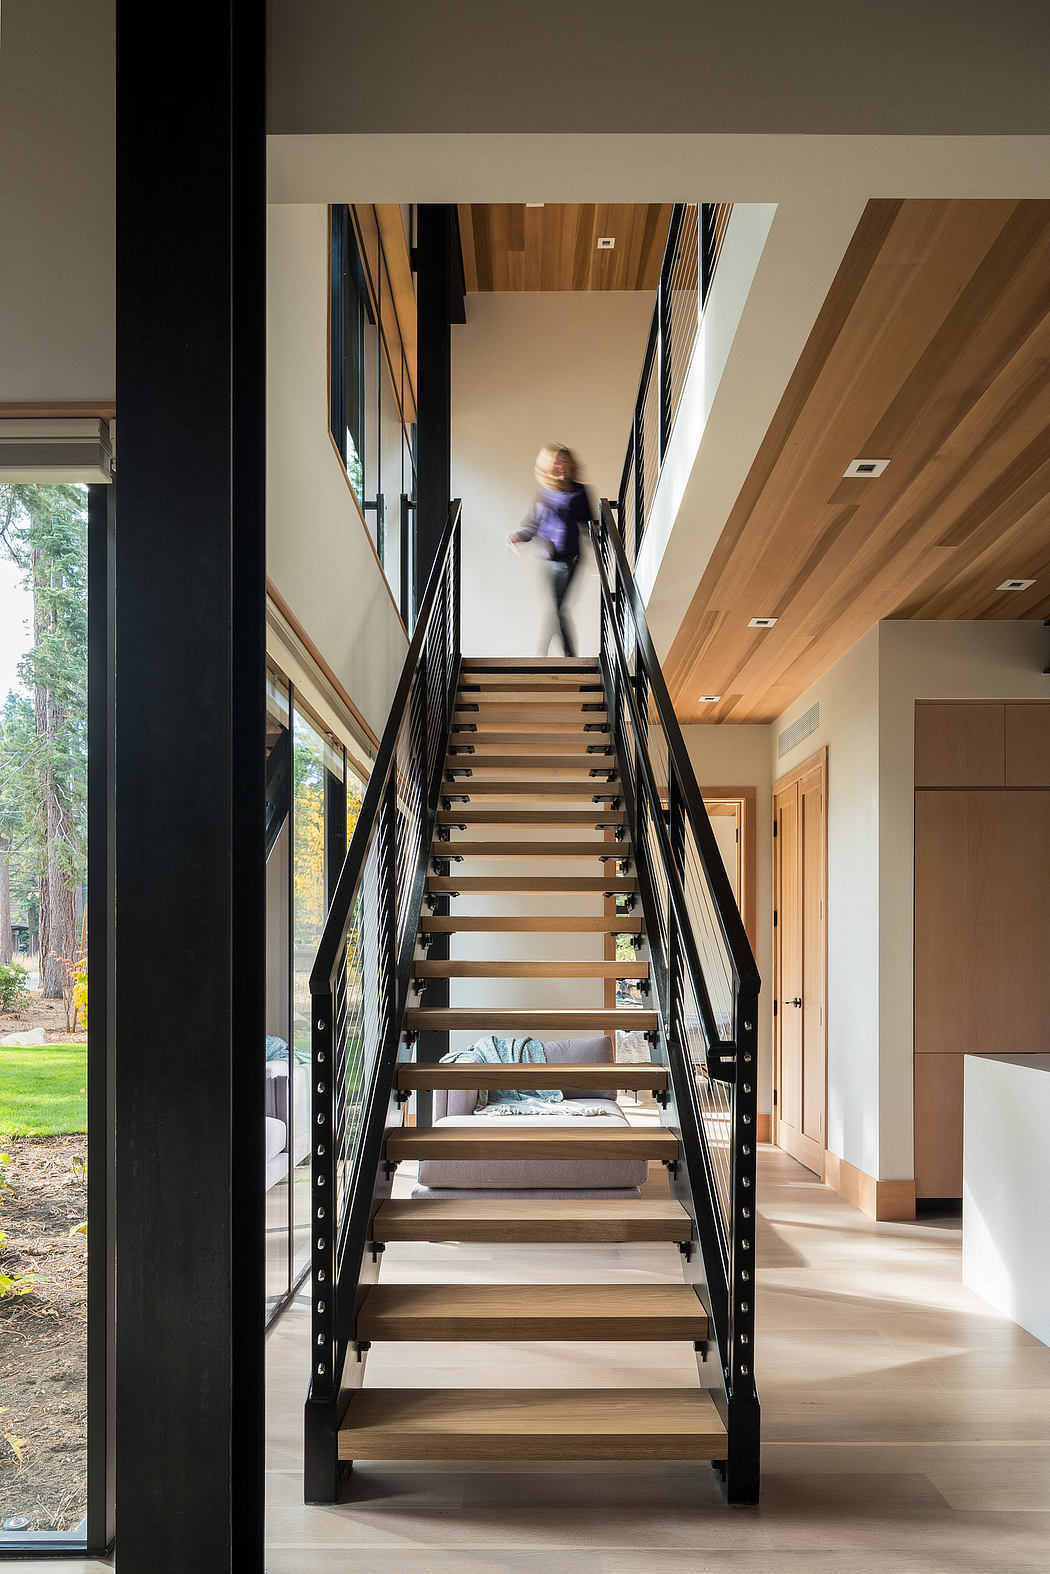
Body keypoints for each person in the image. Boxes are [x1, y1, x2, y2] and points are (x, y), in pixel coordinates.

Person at [506, 443, 594, 657]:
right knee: (557, 607)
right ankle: (562, 655)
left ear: (571, 465)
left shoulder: (580, 491)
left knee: (557, 607)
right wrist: (518, 536)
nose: (560, 467)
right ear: (548, 468)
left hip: (572, 558)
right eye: (556, 464)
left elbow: (591, 525)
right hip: (551, 559)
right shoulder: (545, 494)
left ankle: (546, 652)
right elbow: (533, 523)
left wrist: (601, 555)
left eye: (564, 463)